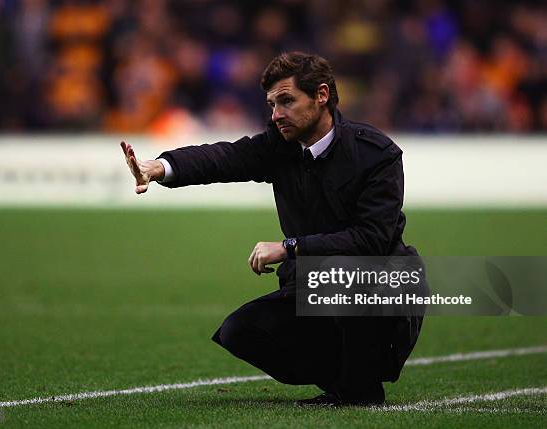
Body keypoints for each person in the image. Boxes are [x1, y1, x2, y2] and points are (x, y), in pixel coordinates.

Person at [120, 52, 423, 406]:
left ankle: (362, 386)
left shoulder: (377, 155)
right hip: (316, 289)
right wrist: (158, 168)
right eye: (272, 104)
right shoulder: (280, 147)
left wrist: (290, 247)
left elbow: (370, 241)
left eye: (286, 101)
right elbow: (223, 158)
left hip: (383, 293)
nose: (276, 113)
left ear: (321, 96)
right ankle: (345, 380)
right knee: (240, 332)